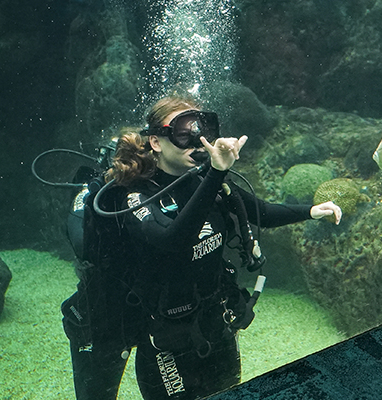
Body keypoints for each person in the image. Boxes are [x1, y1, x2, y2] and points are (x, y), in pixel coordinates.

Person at [62, 94, 342, 400]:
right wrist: (216, 173)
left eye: (202, 131)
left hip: (213, 319)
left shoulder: (206, 180)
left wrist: (311, 211)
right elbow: (171, 241)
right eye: (184, 133)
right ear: (156, 142)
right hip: (163, 335)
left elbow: (257, 211)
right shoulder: (135, 194)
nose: (196, 142)